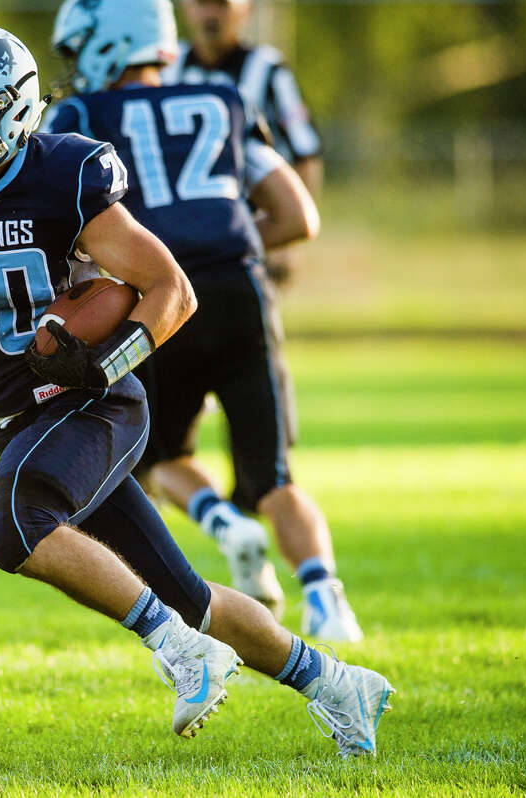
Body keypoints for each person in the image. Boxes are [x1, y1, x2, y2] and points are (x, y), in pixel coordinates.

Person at [0, 21, 393, 756]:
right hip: (13, 419)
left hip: (93, 401)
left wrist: (105, 365)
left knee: (11, 523)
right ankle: (336, 683)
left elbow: (170, 287)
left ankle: (179, 651)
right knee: (191, 596)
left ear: (8, 114)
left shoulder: (62, 174)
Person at [143, 0, 360, 641]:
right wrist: (265, 242)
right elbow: (299, 181)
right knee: (271, 473)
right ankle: (326, 597)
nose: (212, 12)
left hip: (172, 286)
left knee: (157, 456)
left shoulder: (236, 72)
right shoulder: (205, 77)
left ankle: (221, 522)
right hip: (238, 284)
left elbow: (304, 155)